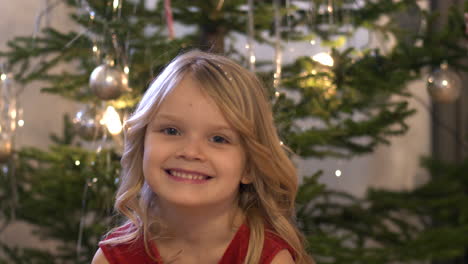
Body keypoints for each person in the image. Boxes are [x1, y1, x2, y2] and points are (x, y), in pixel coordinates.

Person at [91, 50, 314, 264]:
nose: (190, 152)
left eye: (218, 139)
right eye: (171, 131)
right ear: (142, 146)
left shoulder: (268, 258)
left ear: (250, 167)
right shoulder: (113, 259)